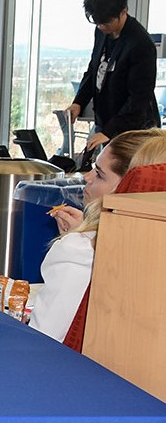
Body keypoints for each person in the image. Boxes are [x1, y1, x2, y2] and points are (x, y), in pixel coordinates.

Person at [30, 129, 166, 343]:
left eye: (100, 174)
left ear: (126, 189)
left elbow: (43, 339)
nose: (87, 177)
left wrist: (75, 242)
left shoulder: (78, 250)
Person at [66, 0, 160, 157]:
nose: (101, 26)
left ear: (124, 12)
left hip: (134, 128)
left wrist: (109, 132)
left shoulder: (141, 44)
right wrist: (79, 102)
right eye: (97, 22)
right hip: (108, 119)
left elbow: (139, 98)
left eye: (106, 22)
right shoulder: (102, 32)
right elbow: (94, 68)